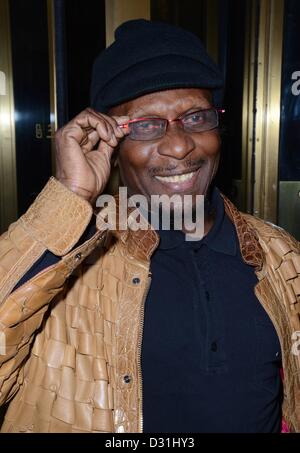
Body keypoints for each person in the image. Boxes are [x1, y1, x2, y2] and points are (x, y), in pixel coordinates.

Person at [0, 19, 299, 433]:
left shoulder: (278, 253)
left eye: (196, 117)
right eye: (144, 125)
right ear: (108, 139)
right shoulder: (69, 262)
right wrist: (67, 198)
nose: (179, 145)